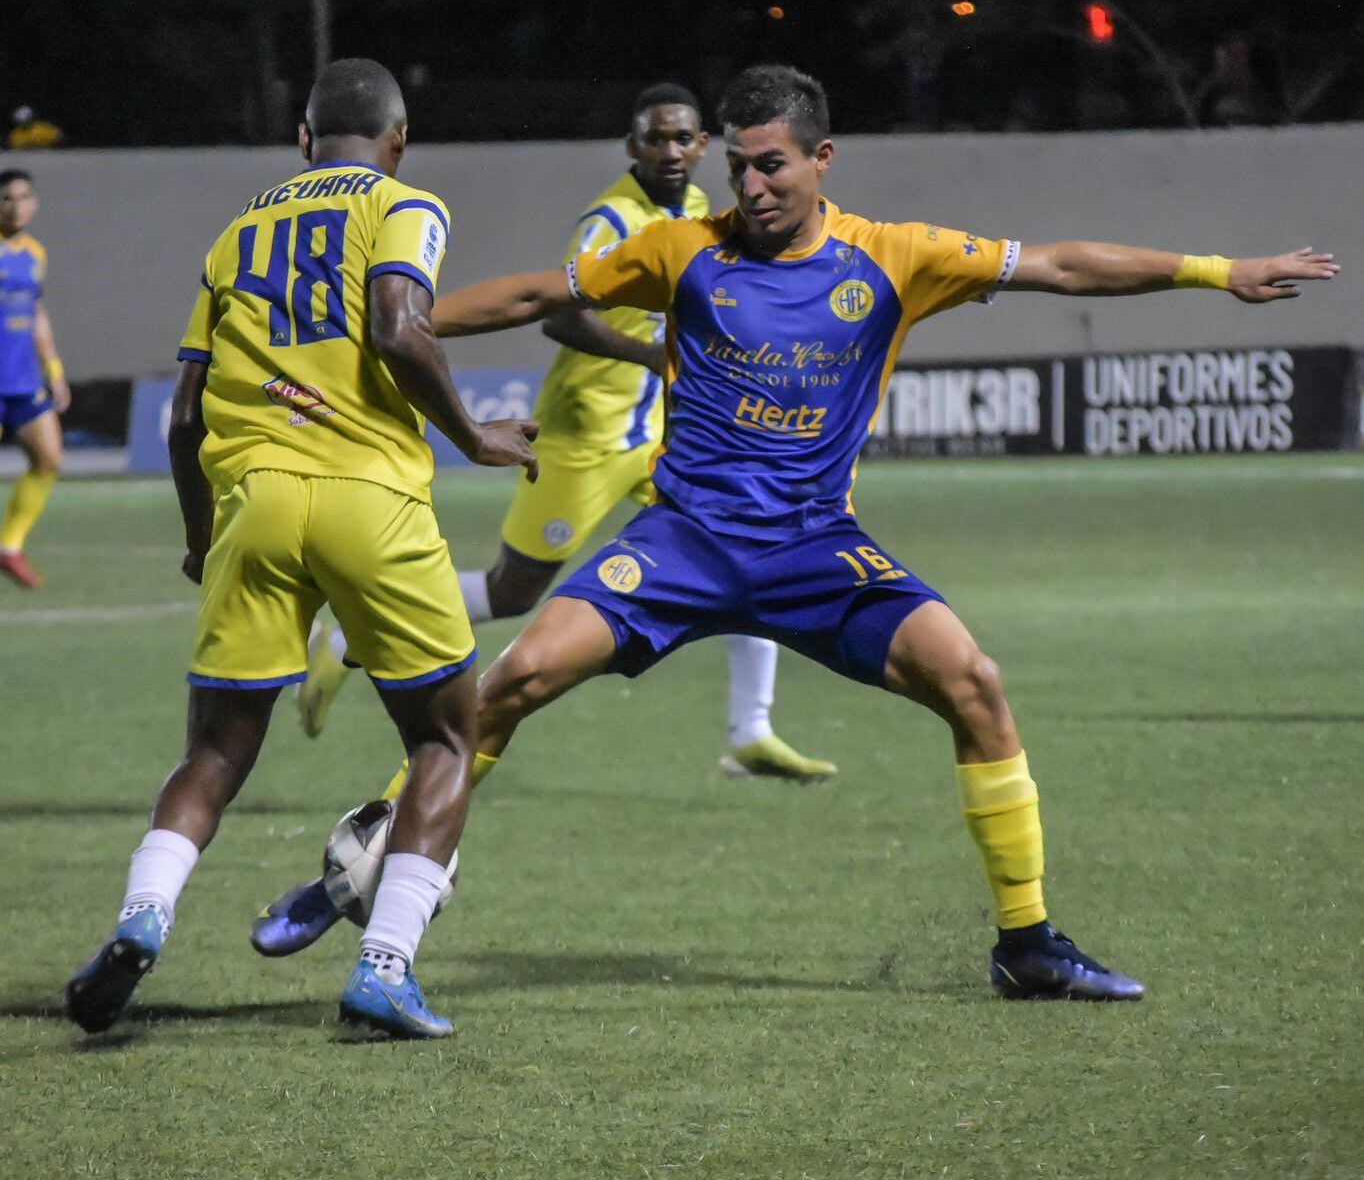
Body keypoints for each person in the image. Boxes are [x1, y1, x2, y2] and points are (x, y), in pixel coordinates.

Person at [390, 63, 1333, 1000]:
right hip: (682, 541)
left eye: (772, 167)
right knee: (507, 682)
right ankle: (371, 870)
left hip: (813, 549)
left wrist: (1220, 272)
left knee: (975, 685)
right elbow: (532, 298)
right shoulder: (684, 250)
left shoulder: (896, 255)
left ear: (822, 159)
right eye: (740, 170)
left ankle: (1028, 942)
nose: (751, 188)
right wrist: (392, 322)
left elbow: (1060, 265)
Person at [65, 59, 537, 1040]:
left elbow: (186, 413)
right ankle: (383, 965)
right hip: (372, 500)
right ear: (398, 137)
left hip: (258, 503)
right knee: (447, 736)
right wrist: (474, 434)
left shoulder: (239, 232)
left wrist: (202, 535)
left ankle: (140, 920)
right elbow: (403, 329)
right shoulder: (406, 204)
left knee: (214, 747)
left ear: (301, 139)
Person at [298, 83, 834, 779]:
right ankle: (348, 628)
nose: (670, 151)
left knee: (749, 546)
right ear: (631, 146)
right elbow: (559, 314)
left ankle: (750, 730)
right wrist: (652, 354)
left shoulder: (706, 211)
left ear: (705, 146)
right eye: (655, 138)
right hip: (581, 440)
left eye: (683, 139)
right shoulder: (612, 218)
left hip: (655, 441)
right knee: (514, 591)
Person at [0, 169, 68, 588]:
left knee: (49, 460)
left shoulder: (34, 253)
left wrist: (54, 370)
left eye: (23, 197)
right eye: (7, 198)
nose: (16, 205)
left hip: (24, 383)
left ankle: (9, 547)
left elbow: (36, 314)